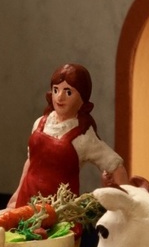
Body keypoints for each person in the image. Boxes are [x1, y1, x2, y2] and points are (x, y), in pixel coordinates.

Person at [9, 62, 133, 208]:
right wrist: (17, 195)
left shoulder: (84, 136)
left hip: (59, 211)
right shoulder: (39, 123)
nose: (59, 97)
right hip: (26, 203)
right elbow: (31, 161)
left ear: (82, 99)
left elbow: (115, 165)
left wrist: (126, 205)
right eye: (56, 90)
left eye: (68, 92)